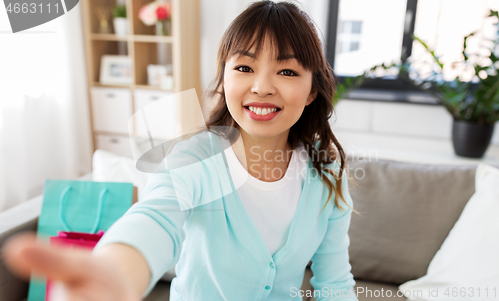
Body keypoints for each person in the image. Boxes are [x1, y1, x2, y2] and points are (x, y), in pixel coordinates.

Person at [2, 1, 360, 300]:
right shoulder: (198, 158)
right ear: (224, 78)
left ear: (313, 89)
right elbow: (156, 218)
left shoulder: (326, 172)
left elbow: (334, 283)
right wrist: (115, 272)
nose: (262, 86)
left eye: (287, 70)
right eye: (244, 67)